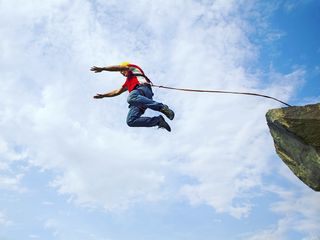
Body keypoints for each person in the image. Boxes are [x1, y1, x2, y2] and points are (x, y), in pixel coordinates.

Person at [91, 62, 175, 132]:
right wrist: (103, 95)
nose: (123, 74)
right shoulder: (128, 82)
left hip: (143, 89)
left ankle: (162, 108)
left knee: (131, 97)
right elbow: (117, 92)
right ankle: (158, 121)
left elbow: (119, 67)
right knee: (131, 121)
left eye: (122, 71)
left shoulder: (134, 69)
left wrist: (103, 68)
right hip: (138, 100)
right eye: (121, 73)